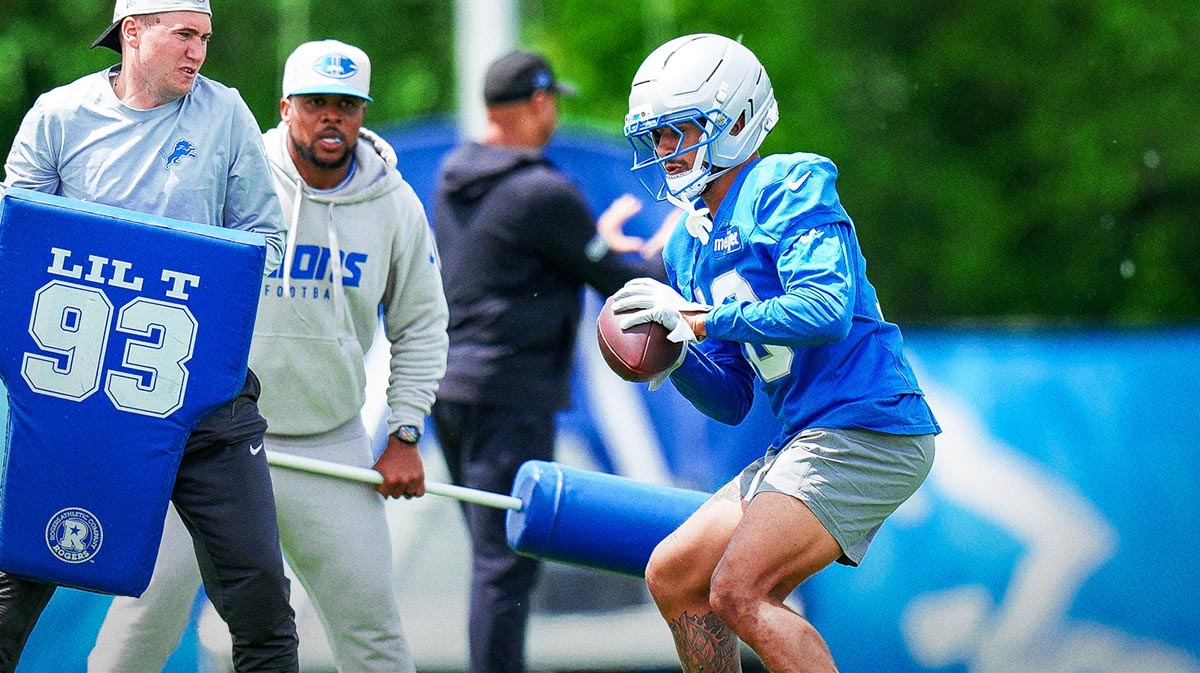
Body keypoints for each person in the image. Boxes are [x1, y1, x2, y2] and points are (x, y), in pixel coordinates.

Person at [86, 39, 449, 673]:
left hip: (325, 443)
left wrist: (405, 431)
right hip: (208, 441)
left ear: (362, 113)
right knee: (143, 619)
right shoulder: (229, 174)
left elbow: (422, 324)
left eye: (346, 105)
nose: (331, 117)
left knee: (374, 635)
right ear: (285, 107)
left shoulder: (396, 204)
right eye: (315, 103)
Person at [611, 33, 941, 673]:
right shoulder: (687, 244)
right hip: (806, 435)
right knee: (675, 575)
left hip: (868, 424)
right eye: (656, 135)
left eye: (680, 130)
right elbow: (734, 398)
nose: (665, 150)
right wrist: (677, 357)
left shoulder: (788, 183)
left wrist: (702, 319)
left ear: (736, 120)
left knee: (741, 589)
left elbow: (825, 308)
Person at [0, 1, 298, 672]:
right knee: (14, 588)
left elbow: (266, 241)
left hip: (199, 390)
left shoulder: (224, 114)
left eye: (205, 38)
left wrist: (182, 271)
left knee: (261, 600)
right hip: (81, 395)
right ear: (132, 31)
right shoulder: (58, 116)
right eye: (185, 35)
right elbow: (18, 244)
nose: (199, 52)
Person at [431, 49, 665, 673]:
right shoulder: (543, 190)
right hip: (509, 397)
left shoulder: (454, 175)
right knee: (505, 565)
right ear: (538, 103)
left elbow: (530, 256)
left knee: (492, 558)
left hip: (452, 392)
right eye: (553, 101)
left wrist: (594, 245)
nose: (556, 114)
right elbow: (623, 283)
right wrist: (670, 250)